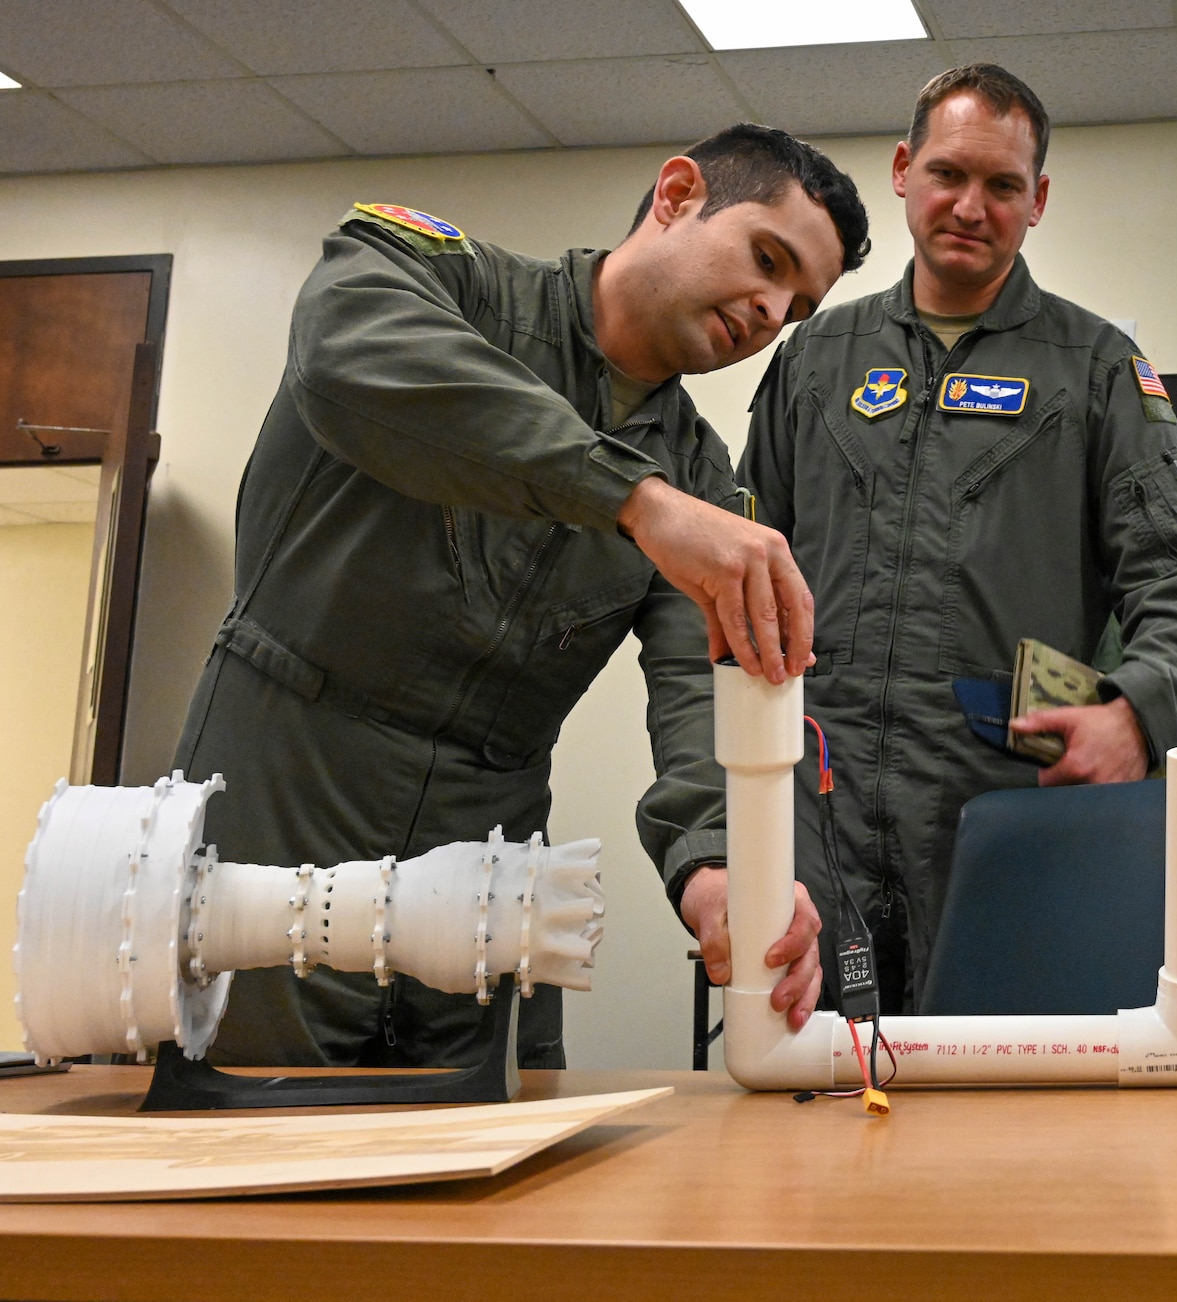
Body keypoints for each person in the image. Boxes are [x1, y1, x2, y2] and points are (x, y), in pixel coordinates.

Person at [176, 124, 866, 1069]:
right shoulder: (433, 276)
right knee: (256, 1156)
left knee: (507, 1167)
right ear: (675, 194)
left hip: (490, 847)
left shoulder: (704, 480)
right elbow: (349, 356)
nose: (769, 309)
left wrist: (717, 870)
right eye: (766, 258)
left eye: (795, 306)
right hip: (285, 790)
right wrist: (634, 500)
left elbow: (701, 688)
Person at [666, 66, 1177, 1012]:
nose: (970, 206)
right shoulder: (816, 359)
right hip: (817, 813)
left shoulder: (1093, 370)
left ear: (1038, 199)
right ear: (902, 170)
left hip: (1001, 816)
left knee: (1004, 1119)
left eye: (1003, 186)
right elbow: (728, 584)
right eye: (948, 174)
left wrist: (1138, 712)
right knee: (818, 1094)